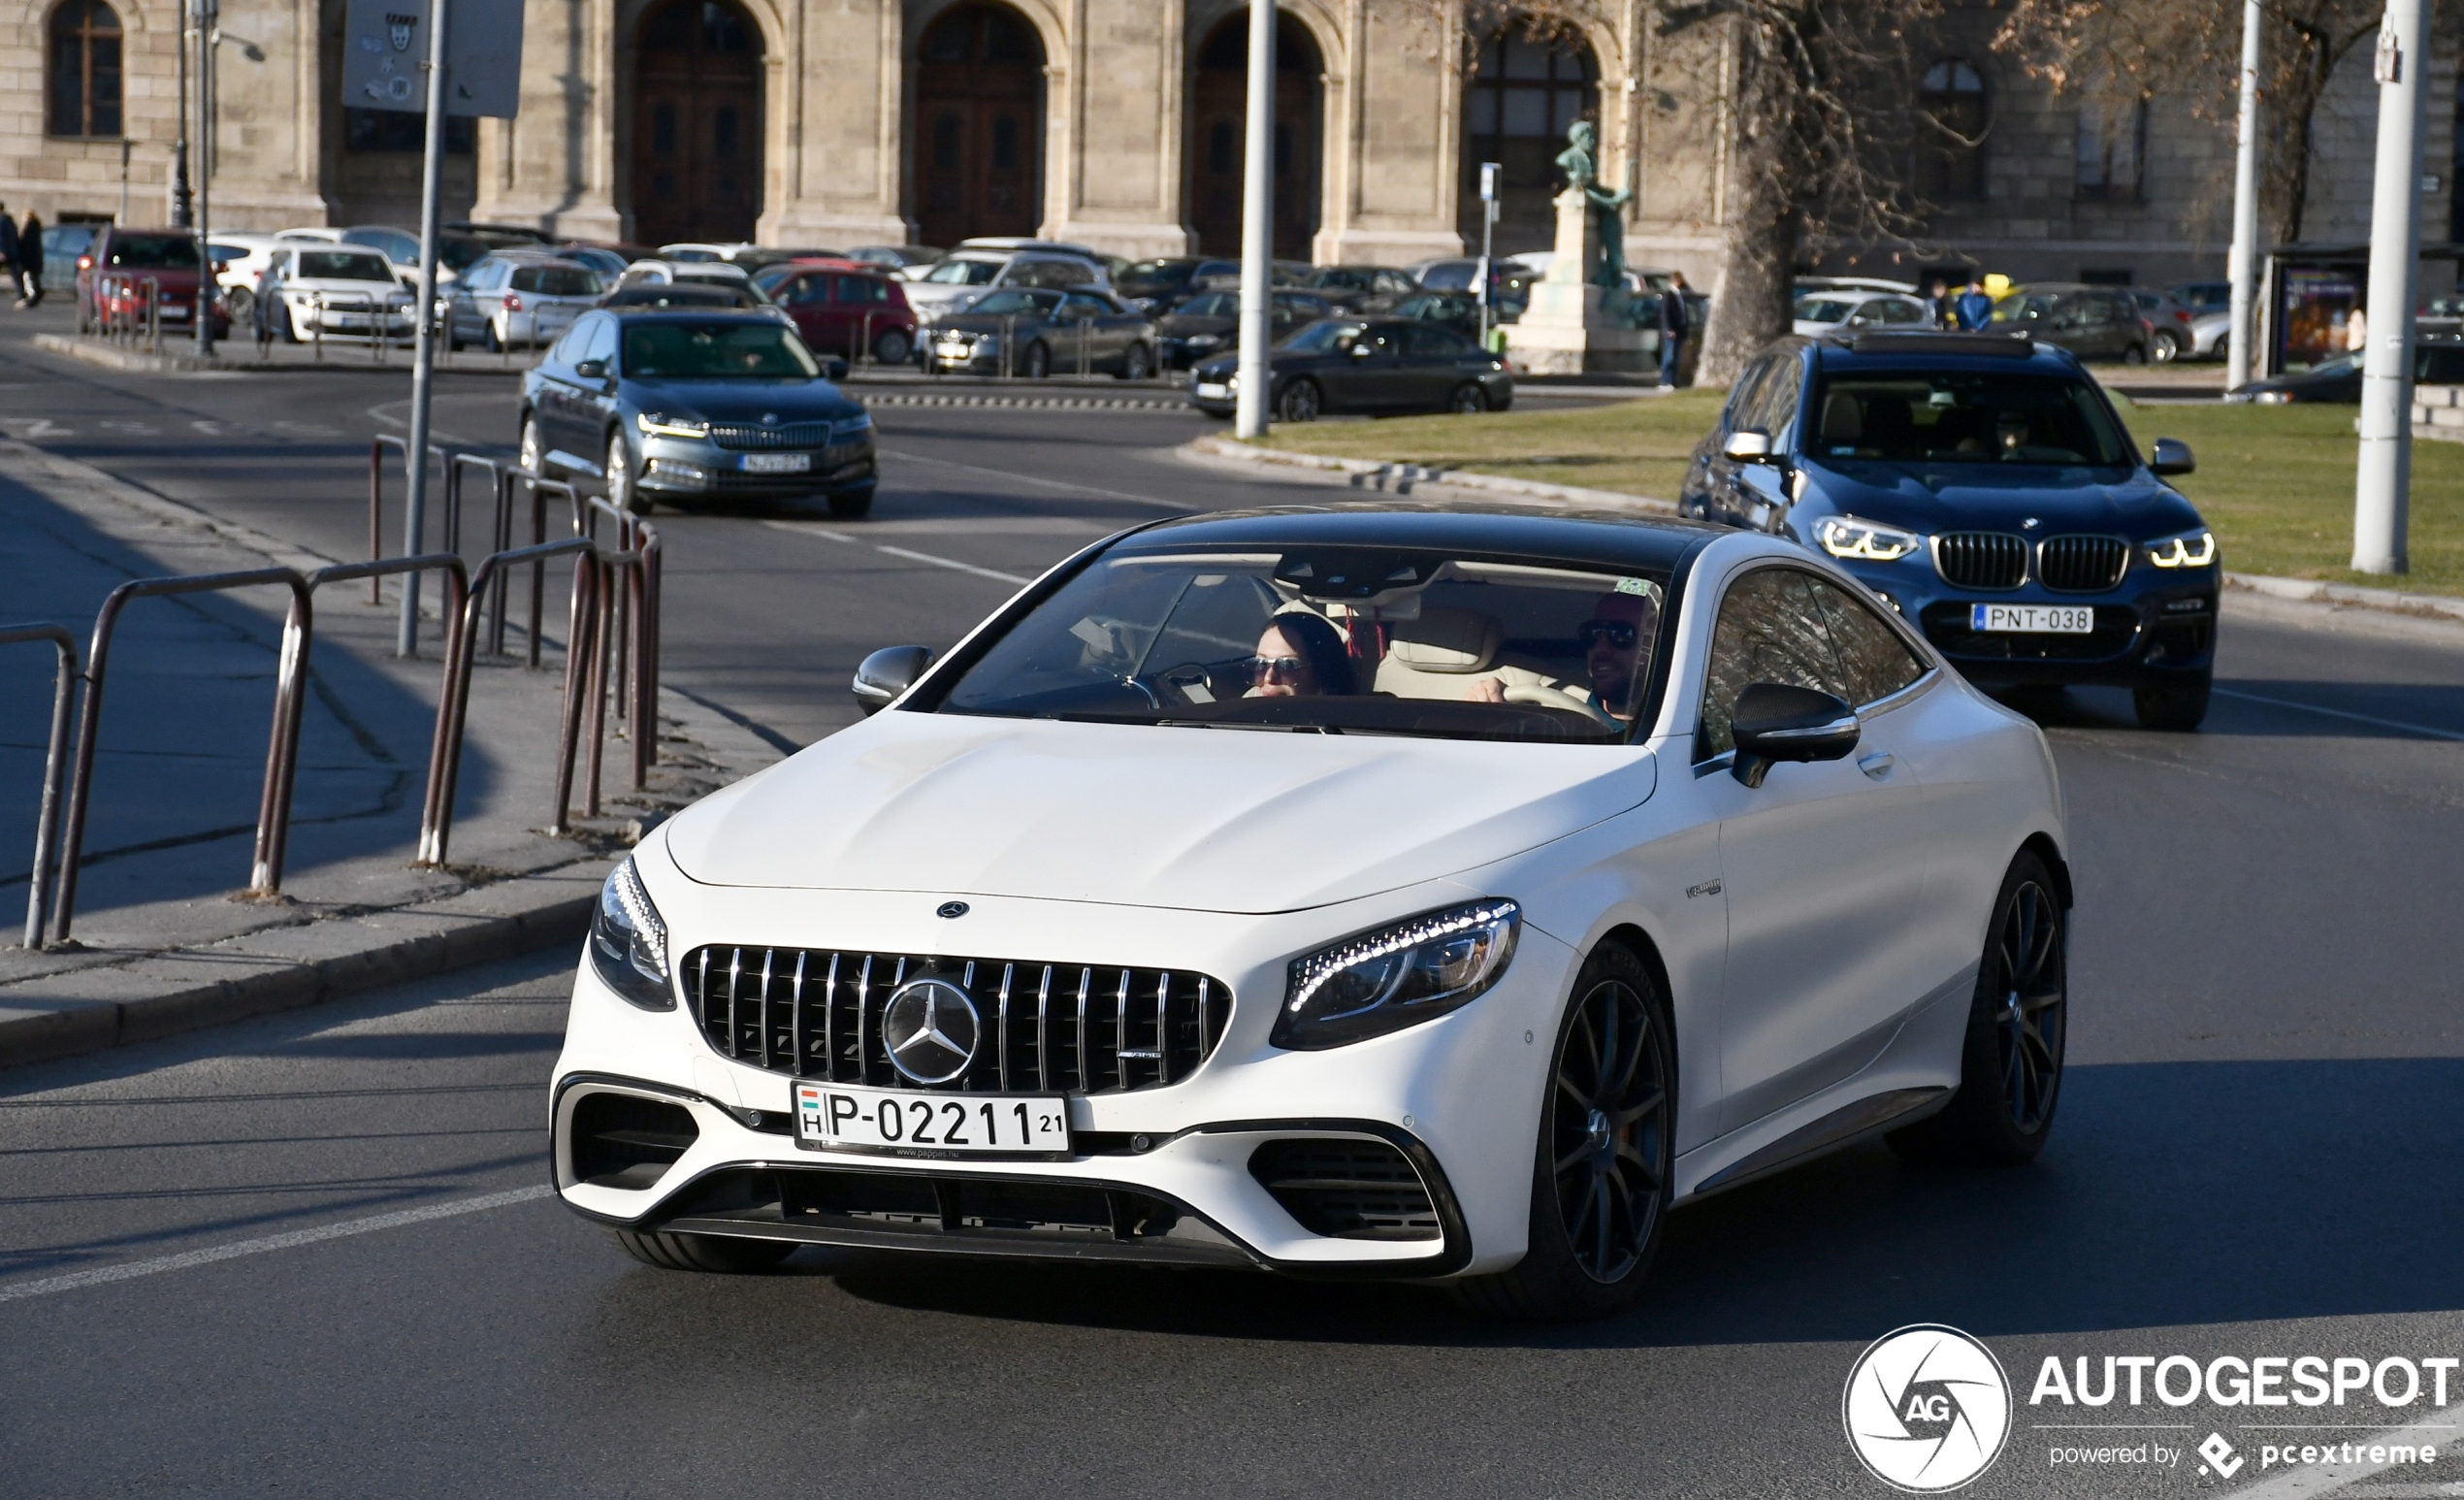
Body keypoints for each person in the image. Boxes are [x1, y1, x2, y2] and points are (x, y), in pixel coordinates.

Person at [1248, 611, 1354, 698]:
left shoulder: (1349, 722)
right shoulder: (1243, 712)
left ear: (1322, 673)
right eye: (1260, 664)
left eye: (1286, 666)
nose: (1268, 678)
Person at [1658, 273, 1690, 388]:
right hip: (1671, 331)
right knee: (1669, 356)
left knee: (1676, 357)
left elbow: (1683, 314)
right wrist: (1669, 328)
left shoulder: (1679, 295)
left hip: (1679, 331)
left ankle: (1673, 380)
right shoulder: (1669, 295)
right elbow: (1666, 314)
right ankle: (1664, 381)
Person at [16, 211, 43, 308]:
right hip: (34, 260)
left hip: (30, 260)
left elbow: (26, 245)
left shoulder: (30, 229)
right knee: (33, 279)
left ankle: (32, 299)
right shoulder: (35, 228)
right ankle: (35, 295)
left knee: (29, 279)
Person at [0, 205, 16, 310]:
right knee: (15, 272)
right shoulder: (9, 221)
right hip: (11, 251)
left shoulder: (2, 222)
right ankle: (21, 293)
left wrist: (2, 251)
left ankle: (21, 293)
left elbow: (1, 238)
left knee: (15, 272)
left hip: (5, 252)